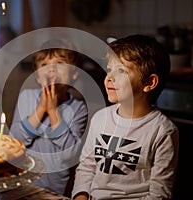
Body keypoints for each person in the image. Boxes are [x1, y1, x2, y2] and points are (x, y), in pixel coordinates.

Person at [72, 34, 179, 200]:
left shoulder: (163, 131)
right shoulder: (100, 118)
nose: (109, 78)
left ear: (149, 83)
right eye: (109, 69)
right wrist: (81, 196)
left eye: (121, 70)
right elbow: (87, 167)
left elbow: (159, 194)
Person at [9, 38, 88, 196]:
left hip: (55, 189)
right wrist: (40, 109)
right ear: (38, 77)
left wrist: (53, 112)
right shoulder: (27, 97)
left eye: (60, 63)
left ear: (74, 74)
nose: (51, 69)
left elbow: (70, 154)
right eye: (44, 64)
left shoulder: (78, 108)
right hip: (22, 183)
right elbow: (15, 142)